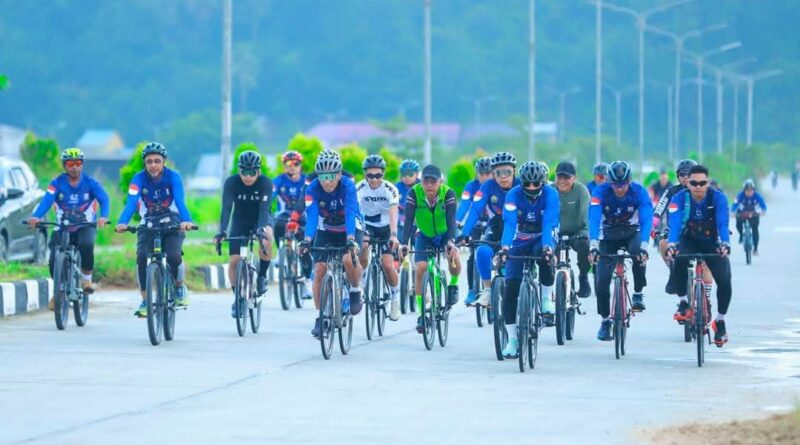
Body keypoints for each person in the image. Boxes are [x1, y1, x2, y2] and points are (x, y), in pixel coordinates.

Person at [115, 142, 194, 317]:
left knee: (174, 255)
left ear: (164, 162)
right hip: (149, 223)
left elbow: (180, 200)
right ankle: (145, 299)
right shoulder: (138, 179)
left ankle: (180, 287)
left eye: (157, 161)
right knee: (142, 257)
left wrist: (187, 220)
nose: (153, 165)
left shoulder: (174, 177)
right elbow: (131, 203)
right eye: (149, 161)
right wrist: (122, 222)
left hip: (172, 222)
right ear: (145, 163)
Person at [27, 148, 110, 310]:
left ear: (82, 165)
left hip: (85, 225)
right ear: (65, 165)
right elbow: (47, 200)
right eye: (70, 164)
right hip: (62, 226)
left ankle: (86, 279)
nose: (74, 167)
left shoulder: (90, 183)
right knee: (53, 259)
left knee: (87, 245)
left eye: (78, 163)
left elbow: (104, 199)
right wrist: (36, 216)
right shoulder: (56, 183)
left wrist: (103, 215)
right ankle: (58, 292)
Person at [298, 150, 364, 338]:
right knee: (319, 270)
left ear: (339, 174)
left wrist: (351, 239)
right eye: (322, 176)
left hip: (349, 228)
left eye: (331, 176)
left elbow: (351, 212)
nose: (327, 181)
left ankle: (354, 289)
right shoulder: (312, 189)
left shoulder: (348, 185)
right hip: (326, 228)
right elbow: (311, 217)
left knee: (348, 259)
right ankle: (321, 317)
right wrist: (307, 240)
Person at [665, 164, 732, 347]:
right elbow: (675, 222)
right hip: (689, 239)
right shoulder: (679, 198)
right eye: (694, 183)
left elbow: (723, 223)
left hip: (712, 240)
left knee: (725, 279)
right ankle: (683, 302)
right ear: (687, 183)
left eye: (702, 183)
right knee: (677, 258)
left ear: (708, 182)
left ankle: (720, 321)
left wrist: (725, 243)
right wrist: (672, 244)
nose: (698, 187)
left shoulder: (718, 197)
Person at [498, 162, 559, 358]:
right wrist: (505, 247)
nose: (532, 188)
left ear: (542, 182)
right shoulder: (513, 194)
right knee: (510, 289)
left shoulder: (551, 194)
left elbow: (550, 221)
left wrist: (548, 247)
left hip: (543, 235)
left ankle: (546, 298)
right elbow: (509, 222)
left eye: (536, 184)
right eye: (527, 184)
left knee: (545, 256)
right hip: (521, 237)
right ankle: (513, 339)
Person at [589, 160, 653, 341]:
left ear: (630, 181)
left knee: (638, 254)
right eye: (615, 185)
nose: (619, 189)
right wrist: (593, 245)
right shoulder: (600, 191)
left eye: (623, 184)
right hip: (608, 235)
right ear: (609, 182)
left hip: (631, 232)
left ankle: (638, 292)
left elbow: (647, 219)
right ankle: (605, 321)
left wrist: (645, 246)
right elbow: (593, 219)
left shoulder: (639, 191)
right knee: (601, 282)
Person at [398, 164, 462, 334]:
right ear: (422, 181)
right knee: (420, 268)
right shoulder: (414, 193)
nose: (429, 186)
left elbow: (451, 221)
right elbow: (409, 220)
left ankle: (453, 285)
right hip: (425, 235)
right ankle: (421, 314)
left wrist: (450, 242)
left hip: (444, 233)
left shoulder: (448, 194)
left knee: (454, 257)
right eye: (426, 181)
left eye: (433, 182)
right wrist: (404, 243)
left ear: (440, 182)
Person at [215, 150, 275, 317]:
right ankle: (238, 298)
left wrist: (261, 229)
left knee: (268, 235)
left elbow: (264, 210)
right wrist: (222, 231)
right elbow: (226, 209)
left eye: (252, 173)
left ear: (259, 171)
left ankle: (262, 276)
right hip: (240, 220)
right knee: (234, 260)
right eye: (244, 172)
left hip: (260, 219)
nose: (248, 177)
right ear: (239, 171)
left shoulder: (265, 183)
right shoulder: (231, 183)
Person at [456, 152, 520, 307]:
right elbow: (475, 209)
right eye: (499, 173)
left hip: (519, 228)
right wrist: (463, 233)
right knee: (481, 252)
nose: (503, 177)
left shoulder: (522, 184)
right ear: (494, 174)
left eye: (507, 172)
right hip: (496, 225)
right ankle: (487, 290)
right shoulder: (486, 186)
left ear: (514, 172)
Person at [356, 154, 401, 321]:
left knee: (387, 264)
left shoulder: (390, 189)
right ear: (365, 174)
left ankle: (395, 299)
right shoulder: (359, 188)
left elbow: (393, 212)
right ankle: (364, 275)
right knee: (363, 247)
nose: (374, 179)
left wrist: (394, 235)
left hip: (386, 227)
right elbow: (355, 210)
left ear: (383, 174)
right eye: (370, 175)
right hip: (367, 225)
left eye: (378, 175)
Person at [273, 150, 312, 299]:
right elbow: (271, 194)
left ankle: (307, 282)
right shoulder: (279, 180)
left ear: (300, 165)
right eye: (288, 163)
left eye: (296, 163)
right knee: (276, 225)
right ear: (284, 166)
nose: (292, 166)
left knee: (305, 248)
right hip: (284, 215)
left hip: (303, 216)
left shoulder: (306, 180)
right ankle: (280, 251)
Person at [456, 156, 492, 305]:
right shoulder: (470, 186)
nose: (484, 177)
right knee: (472, 255)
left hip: (492, 224)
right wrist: (457, 221)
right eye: (481, 174)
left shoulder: (495, 186)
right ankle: (472, 289)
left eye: (487, 173)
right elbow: (464, 205)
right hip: (476, 225)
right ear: (477, 173)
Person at [553, 161, 592, 298]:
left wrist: (586, 233)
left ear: (574, 178)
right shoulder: (551, 191)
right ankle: (555, 284)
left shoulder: (581, 191)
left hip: (577, 231)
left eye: (566, 178)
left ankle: (583, 276)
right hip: (556, 232)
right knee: (548, 254)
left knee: (584, 244)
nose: (562, 181)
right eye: (559, 177)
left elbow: (585, 214)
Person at [731, 178, 767, 255]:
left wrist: (763, 211)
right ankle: (741, 234)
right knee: (738, 223)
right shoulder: (740, 195)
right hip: (742, 213)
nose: (749, 192)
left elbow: (763, 205)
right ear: (744, 190)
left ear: (754, 190)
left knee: (755, 229)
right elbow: (735, 204)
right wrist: (732, 212)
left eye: (751, 190)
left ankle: (755, 249)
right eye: (747, 190)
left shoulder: (758, 196)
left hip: (753, 214)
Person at [395, 159, 421, 237]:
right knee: (399, 238)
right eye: (404, 174)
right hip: (402, 216)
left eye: (410, 174)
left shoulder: (422, 186)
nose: (407, 177)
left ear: (416, 174)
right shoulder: (396, 187)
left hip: (418, 216)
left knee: (417, 240)